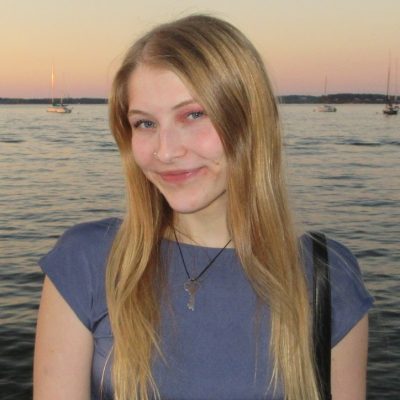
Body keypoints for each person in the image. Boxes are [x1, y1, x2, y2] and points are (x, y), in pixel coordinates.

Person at [33, 14, 373, 400]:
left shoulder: (327, 275)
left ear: (250, 121)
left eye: (194, 115)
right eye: (145, 124)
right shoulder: (87, 262)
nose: (165, 151)